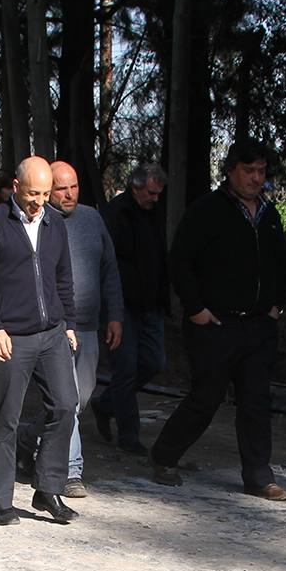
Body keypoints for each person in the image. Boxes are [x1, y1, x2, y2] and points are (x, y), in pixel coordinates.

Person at [149, 138, 286, 501]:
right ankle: (164, 456)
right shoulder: (207, 211)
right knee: (206, 398)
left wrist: (277, 304)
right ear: (230, 171)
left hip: (259, 325)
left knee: (256, 401)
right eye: (248, 170)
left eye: (261, 171)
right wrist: (195, 309)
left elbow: (281, 264)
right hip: (215, 325)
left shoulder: (269, 214)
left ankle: (259, 477)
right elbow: (180, 262)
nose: (256, 178)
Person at [0, 156, 80, 526]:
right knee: (5, 420)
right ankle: (1, 501)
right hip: (11, 336)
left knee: (65, 406)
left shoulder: (54, 222)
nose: (40, 201)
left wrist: (69, 323)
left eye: (46, 194)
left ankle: (48, 489)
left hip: (53, 333)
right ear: (15, 187)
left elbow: (63, 277)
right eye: (33, 193)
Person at [20, 161, 123, 498]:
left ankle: (29, 436)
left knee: (78, 401)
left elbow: (109, 269)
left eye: (74, 186)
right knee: (68, 398)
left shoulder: (92, 219)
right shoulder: (39, 222)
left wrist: (115, 314)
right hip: (56, 327)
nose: (69, 194)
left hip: (89, 325)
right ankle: (71, 471)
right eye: (61, 188)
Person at [91, 163, 170, 455]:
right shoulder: (114, 215)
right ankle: (129, 436)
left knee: (154, 362)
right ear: (135, 187)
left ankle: (105, 404)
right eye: (151, 192)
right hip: (121, 305)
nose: (155, 198)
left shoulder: (154, 213)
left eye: (158, 193)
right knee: (125, 368)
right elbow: (104, 264)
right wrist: (112, 309)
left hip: (150, 304)